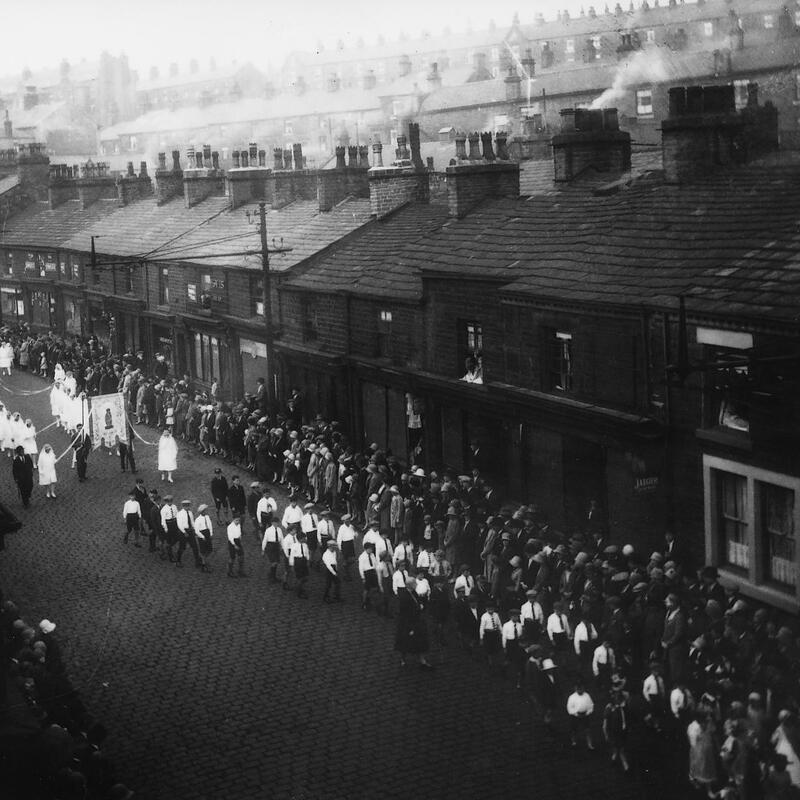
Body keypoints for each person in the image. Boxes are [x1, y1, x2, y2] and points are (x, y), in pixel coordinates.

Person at [394, 576, 433, 669]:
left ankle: (422, 660)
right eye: (414, 583)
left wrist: (420, 605)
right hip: (408, 623)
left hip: (416, 621)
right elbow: (404, 613)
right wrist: (409, 628)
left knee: (420, 642)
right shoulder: (404, 597)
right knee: (405, 643)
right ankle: (403, 659)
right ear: (410, 585)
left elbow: (417, 601)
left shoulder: (413, 592)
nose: (416, 584)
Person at [603, 676, 631, 772]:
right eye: (615, 686)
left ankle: (615, 756)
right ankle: (625, 764)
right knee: (620, 746)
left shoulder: (625, 696)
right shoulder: (610, 701)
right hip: (614, 725)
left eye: (619, 685)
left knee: (620, 744)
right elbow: (606, 719)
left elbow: (628, 709)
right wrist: (605, 731)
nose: (618, 688)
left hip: (623, 724)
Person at [566, 681, 595, 750]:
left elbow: (591, 705)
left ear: (583, 688)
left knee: (588, 730)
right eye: (578, 688)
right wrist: (576, 714)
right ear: (575, 688)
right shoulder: (572, 697)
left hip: (585, 715)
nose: (580, 689)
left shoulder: (587, 695)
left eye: (581, 687)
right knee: (574, 730)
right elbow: (569, 708)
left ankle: (589, 744)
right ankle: (574, 742)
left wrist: (588, 712)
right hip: (575, 716)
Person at [358, 542, 380, 611]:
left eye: (371, 549)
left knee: (375, 588)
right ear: (365, 549)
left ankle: (372, 600)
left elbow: (375, 564)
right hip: (367, 573)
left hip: (373, 572)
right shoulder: (362, 557)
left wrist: (377, 572)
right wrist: (363, 577)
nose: (371, 550)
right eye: (369, 549)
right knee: (366, 589)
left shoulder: (372, 555)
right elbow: (361, 568)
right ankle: (364, 602)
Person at [261, 518, 284, 583]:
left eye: (277, 523)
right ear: (272, 523)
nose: (276, 524)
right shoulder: (268, 530)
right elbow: (265, 540)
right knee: (274, 562)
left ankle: (272, 575)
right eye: (275, 523)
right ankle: (272, 576)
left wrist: (282, 547)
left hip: (277, 546)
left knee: (276, 562)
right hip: (270, 547)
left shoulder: (279, 530)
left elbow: (282, 539)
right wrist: (263, 549)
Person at [289, 531, 310, 598]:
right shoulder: (294, 546)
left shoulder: (305, 545)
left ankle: (300, 588)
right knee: (300, 578)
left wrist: (308, 560)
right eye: (304, 538)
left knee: (304, 577)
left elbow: (307, 553)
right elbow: (291, 556)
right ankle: (299, 592)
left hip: (303, 561)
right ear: (300, 539)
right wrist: (292, 565)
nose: (305, 539)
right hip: (298, 562)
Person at [194, 503, 214, 572]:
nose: (206, 512)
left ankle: (203, 560)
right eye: (205, 511)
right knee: (203, 550)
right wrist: (202, 536)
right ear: (202, 512)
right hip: (202, 534)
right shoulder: (197, 520)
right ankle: (204, 564)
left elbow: (210, 525)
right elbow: (196, 531)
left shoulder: (207, 517)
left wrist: (211, 533)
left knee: (209, 549)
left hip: (207, 533)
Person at [322, 539, 341, 603]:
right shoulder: (326, 554)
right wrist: (334, 573)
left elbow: (335, 562)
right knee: (328, 584)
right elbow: (328, 565)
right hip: (329, 570)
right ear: (330, 547)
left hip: (334, 568)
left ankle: (336, 596)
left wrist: (336, 569)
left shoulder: (334, 552)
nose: (335, 548)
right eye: (333, 547)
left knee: (338, 583)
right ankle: (325, 597)